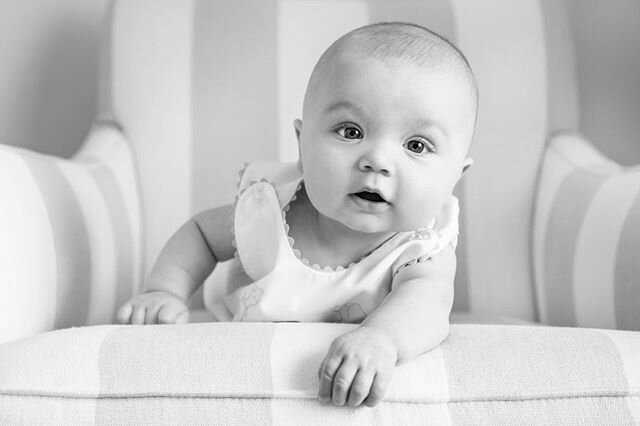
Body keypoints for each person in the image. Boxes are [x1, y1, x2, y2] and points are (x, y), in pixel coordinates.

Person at [117, 21, 477, 408]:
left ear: (456, 177)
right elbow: (201, 234)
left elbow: (429, 306)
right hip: (237, 377)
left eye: (417, 145)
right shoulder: (269, 209)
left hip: (331, 397)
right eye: (351, 131)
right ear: (302, 145)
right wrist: (164, 291)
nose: (377, 161)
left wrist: (381, 339)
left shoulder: (421, 247)